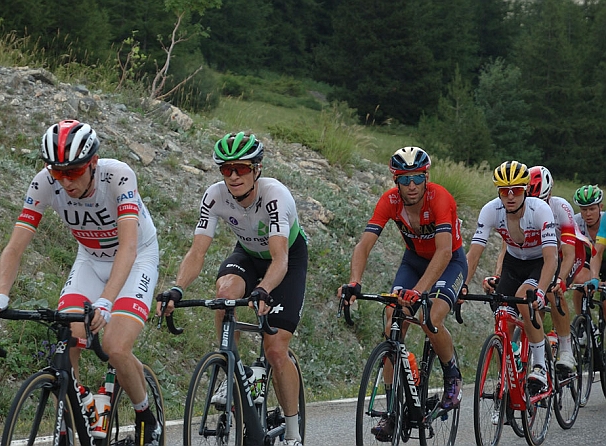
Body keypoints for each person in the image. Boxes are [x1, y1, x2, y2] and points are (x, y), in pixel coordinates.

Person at [0, 120, 161, 445]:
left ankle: (146, 414)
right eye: (57, 172)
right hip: (90, 259)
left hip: (135, 259)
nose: (65, 180)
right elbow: (15, 246)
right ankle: (84, 408)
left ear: (92, 163)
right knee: (69, 333)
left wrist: (106, 301)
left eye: (73, 171)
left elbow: (129, 247)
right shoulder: (44, 183)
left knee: (115, 347)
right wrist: (1, 296)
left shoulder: (118, 175)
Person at [159, 131, 308, 446]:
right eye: (226, 169)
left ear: (257, 168)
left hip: (287, 260)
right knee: (225, 292)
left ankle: (293, 433)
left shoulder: (275, 196)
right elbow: (197, 252)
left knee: (275, 349)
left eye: (241, 168)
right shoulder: (214, 196)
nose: (234, 176)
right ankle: (230, 367)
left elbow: (280, 259)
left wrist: (265, 289)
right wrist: (177, 289)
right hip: (248, 255)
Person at [339, 146, 466, 441]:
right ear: (396, 180)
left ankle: (451, 374)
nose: (412, 185)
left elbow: (445, 251)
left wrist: (419, 291)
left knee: (432, 316)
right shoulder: (390, 201)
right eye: (405, 178)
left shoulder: (440, 198)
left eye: (418, 178)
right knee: (392, 321)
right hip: (413, 261)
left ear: (426, 177)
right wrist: (354, 281)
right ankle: (392, 411)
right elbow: (364, 244)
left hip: (448, 261)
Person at [464, 161, 557, 392]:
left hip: (539, 262)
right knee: (502, 314)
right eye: (505, 191)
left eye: (516, 190)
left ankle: (539, 366)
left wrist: (542, 292)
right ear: (499, 193)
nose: (511, 196)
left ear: (525, 190)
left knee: (525, 298)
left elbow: (551, 259)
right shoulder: (490, 210)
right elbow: (473, 255)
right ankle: (506, 377)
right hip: (513, 263)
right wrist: (462, 286)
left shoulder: (540, 210)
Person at [524, 166, 582, 373]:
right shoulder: (523, 208)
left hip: (568, 252)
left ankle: (566, 349)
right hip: (541, 256)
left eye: (541, 201)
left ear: (549, 195)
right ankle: (542, 344)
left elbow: (569, 253)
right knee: (529, 298)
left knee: (553, 290)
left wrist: (561, 279)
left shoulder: (561, 208)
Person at [572, 185, 605, 315]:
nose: (588, 214)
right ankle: (581, 320)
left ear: (600, 207)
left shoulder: (605, 221)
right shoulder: (575, 222)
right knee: (580, 282)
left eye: (592, 209)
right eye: (584, 210)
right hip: (588, 257)